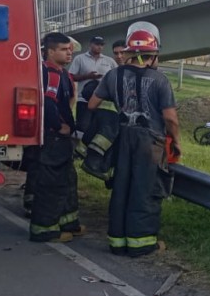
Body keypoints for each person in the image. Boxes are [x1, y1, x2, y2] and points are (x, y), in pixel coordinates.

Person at [88, 22, 180, 257]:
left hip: (122, 139)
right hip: (150, 142)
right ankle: (142, 243)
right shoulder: (160, 81)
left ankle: (117, 242)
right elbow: (170, 119)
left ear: (128, 53)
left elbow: (92, 104)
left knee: (121, 187)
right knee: (145, 190)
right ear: (152, 55)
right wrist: (176, 141)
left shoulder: (112, 75)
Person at [29, 32, 84, 243]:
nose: (69, 53)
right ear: (50, 52)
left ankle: (69, 223)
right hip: (53, 138)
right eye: (63, 49)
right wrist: (58, 126)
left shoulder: (62, 73)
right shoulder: (51, 73)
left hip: (60, 139)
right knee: (51, 184)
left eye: (70, 49)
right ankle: (44, 230)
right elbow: (48, 103)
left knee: (67, 180)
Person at [69, 36, 117, 134]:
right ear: (91, 44)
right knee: (83, 127)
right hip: (84, 100)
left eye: (101, 45)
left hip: (103, 101)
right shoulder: (80, 58)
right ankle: (80, 149)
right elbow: (71, 76)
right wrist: (88, 76)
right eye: (97, 44)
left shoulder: (109, 61)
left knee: (102, 129)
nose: (99, 47)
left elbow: (116, 77)